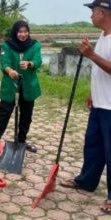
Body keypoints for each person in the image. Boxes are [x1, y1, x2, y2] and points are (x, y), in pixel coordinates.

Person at [60, 0, 111, 214]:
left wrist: (91, 55)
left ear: (102, 12)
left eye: (92, 11)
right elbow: (100, 71)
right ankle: (87, 181)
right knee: (93, 146)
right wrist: (93, 92)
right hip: (100, 103)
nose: (90, 15)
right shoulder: (103, 36)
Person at [0, 20, 42, 155]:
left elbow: (38, 60)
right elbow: (4, 63)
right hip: (10, 85)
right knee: (4, 114)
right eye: (20, 32)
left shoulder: (35, 45)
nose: (23, 34)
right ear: (15, 32)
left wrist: (30, 63)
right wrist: (10, 71)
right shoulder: (7, 45)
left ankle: (21, 142)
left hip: (28, 85)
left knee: (26, 116)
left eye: (25, 31)